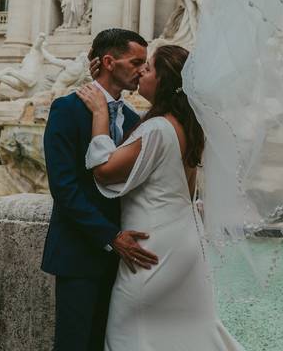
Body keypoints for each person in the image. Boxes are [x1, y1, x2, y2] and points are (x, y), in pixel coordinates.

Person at [78, 45, 244, 351]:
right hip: (184, 240)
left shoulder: (157, 128)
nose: (142, 71)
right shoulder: (192, 127)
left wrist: (101, 112)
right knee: (189, 332)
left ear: (165, 82)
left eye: (149, 68)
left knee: (128, 333)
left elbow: (104, 171)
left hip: (152, 245)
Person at [41, 28, 157, 351]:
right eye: (136, 62)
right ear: (108, 61)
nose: (141, 70)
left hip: (123, 259)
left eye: (146, 64)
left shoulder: (134, 118)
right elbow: (63, 188)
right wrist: (110, 236)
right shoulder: (66, 109)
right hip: (79, 253)